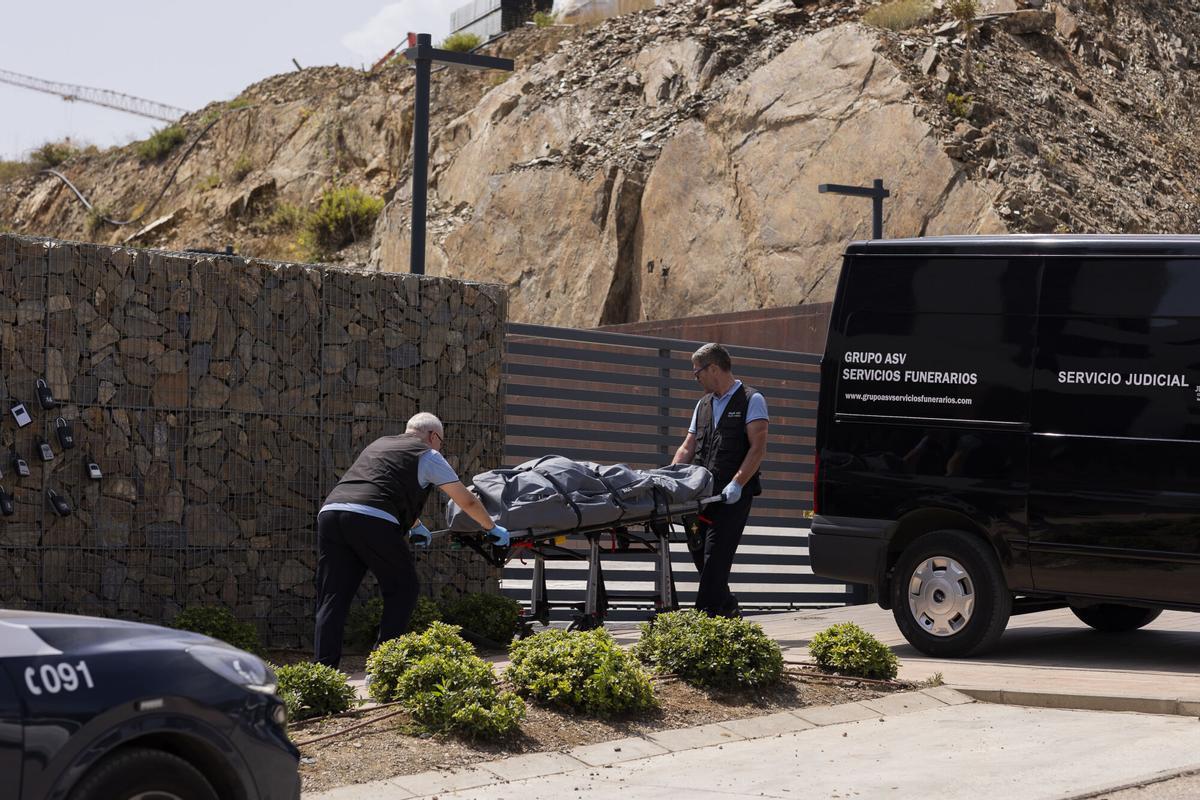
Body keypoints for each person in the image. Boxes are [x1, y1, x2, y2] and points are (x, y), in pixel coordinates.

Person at [313, 412, 509, 669]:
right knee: (403, 588)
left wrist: (415, 525)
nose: (440, 447)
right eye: (441, 442)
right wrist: (491, 528)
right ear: (433, 436)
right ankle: (383, 667)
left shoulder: (380, 444)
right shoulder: (428, 454)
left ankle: (323, 672)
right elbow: (467, 501)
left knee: (333, 596)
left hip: (331, 514)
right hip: (372, 519)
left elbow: (382, 485)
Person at [672, 343, 768, 618]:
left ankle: (705, 618)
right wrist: (671, 477)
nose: (696, 378)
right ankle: (727, 607)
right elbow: (688, 446)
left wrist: (737, 483)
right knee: (699, 553)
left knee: (715, 557)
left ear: (713, 368)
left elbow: (757, 448)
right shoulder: (702, 404)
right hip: (700, 496)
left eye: (697, 373)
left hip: (731, 497)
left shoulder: (751, 399)